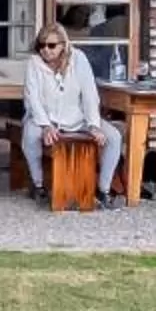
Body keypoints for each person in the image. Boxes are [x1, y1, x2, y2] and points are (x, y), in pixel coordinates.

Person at [22, 24, 123, 200]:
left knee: (114, 137)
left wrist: (93, 124)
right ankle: (38, 184)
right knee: (31, 134)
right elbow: (33, 98)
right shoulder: (34, 63)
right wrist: (46, 125)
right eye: (42, 45)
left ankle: (103, 189)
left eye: (51, 45)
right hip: (46, 118)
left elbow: (89, 93)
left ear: (63, 45)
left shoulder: (79, 59)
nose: (46, 50)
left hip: (78, 117)